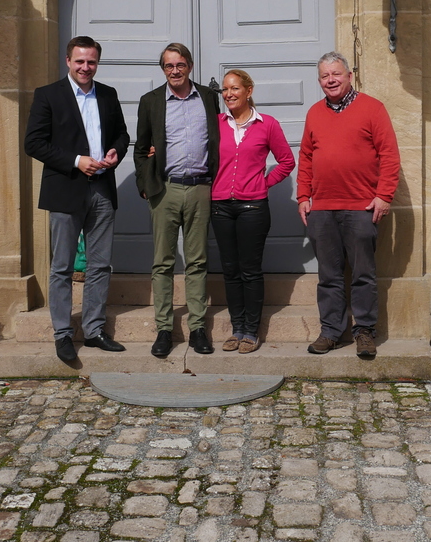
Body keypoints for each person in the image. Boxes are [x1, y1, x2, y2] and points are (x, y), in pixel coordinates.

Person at [24, 36, 130, 366]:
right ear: (68, 61)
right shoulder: (48, 95)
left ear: (97, 63)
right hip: (66, 188)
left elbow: (122, 135)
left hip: (101, 189)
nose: (86, 67)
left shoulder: (108, 94)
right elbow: (34, 143)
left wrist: (117, 151)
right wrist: (76, 160)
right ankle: (62, 335)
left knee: (99, 265)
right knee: (62, 268)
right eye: (80, 61)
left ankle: (95, 330)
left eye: (92, 62)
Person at [297, 52, 400, 360]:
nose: (331, 80)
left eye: (336, 74)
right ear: (319, 81)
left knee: (363, 274)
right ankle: (330, 332)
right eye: (325, 76)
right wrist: (303, 196)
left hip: (361, 207)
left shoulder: (373, 109)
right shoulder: (315, 113)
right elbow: (306, 157)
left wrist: (384, 195)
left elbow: (390, 155)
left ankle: (365, 332)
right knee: (328, 275)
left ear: (349, 75)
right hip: (323, 208)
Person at [134, 43, 220, 358]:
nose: (175, 71)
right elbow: (141, 148)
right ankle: (164, 330)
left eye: (180, 65)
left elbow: (218, 139)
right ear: (163, 69)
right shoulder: (151, 101)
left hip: (200, 189)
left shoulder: (209, 99)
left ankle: (198, 328)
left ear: (190, 66)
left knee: (197, 261)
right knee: (163, 263)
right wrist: (146, 184)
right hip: (165, 190)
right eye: (169, 66)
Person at [210, 70, 295, 353]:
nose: (228, 94)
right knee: (230, 271)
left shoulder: (267, 124)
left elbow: (286, 161)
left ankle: (251, 330)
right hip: (221, 206)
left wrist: (263, 182)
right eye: (225, 89)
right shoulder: (216, 123)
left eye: (234, 88)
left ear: (249, 91)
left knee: (250, 270)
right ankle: (236, 328)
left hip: (253, 208)